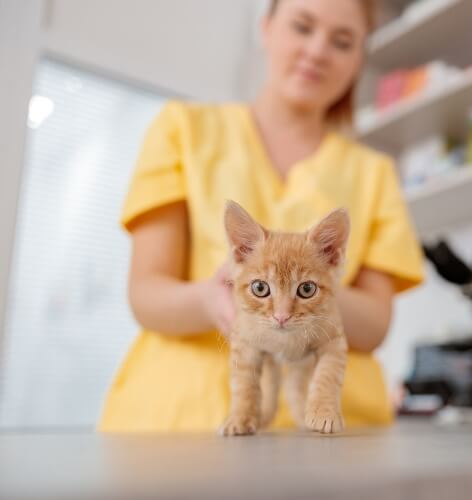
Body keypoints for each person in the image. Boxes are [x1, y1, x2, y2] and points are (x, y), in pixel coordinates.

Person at [99, 0, 424, 432]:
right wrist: (213, 296)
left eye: (342, 41)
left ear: (359, 58)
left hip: (336, 437)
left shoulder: (375, 173)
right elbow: (146, 294)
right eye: (303, 26)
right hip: (180, 423)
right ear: (266, 27)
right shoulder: (183, 127)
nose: (317, 51)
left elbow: (375, 324)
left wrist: (308, 283)